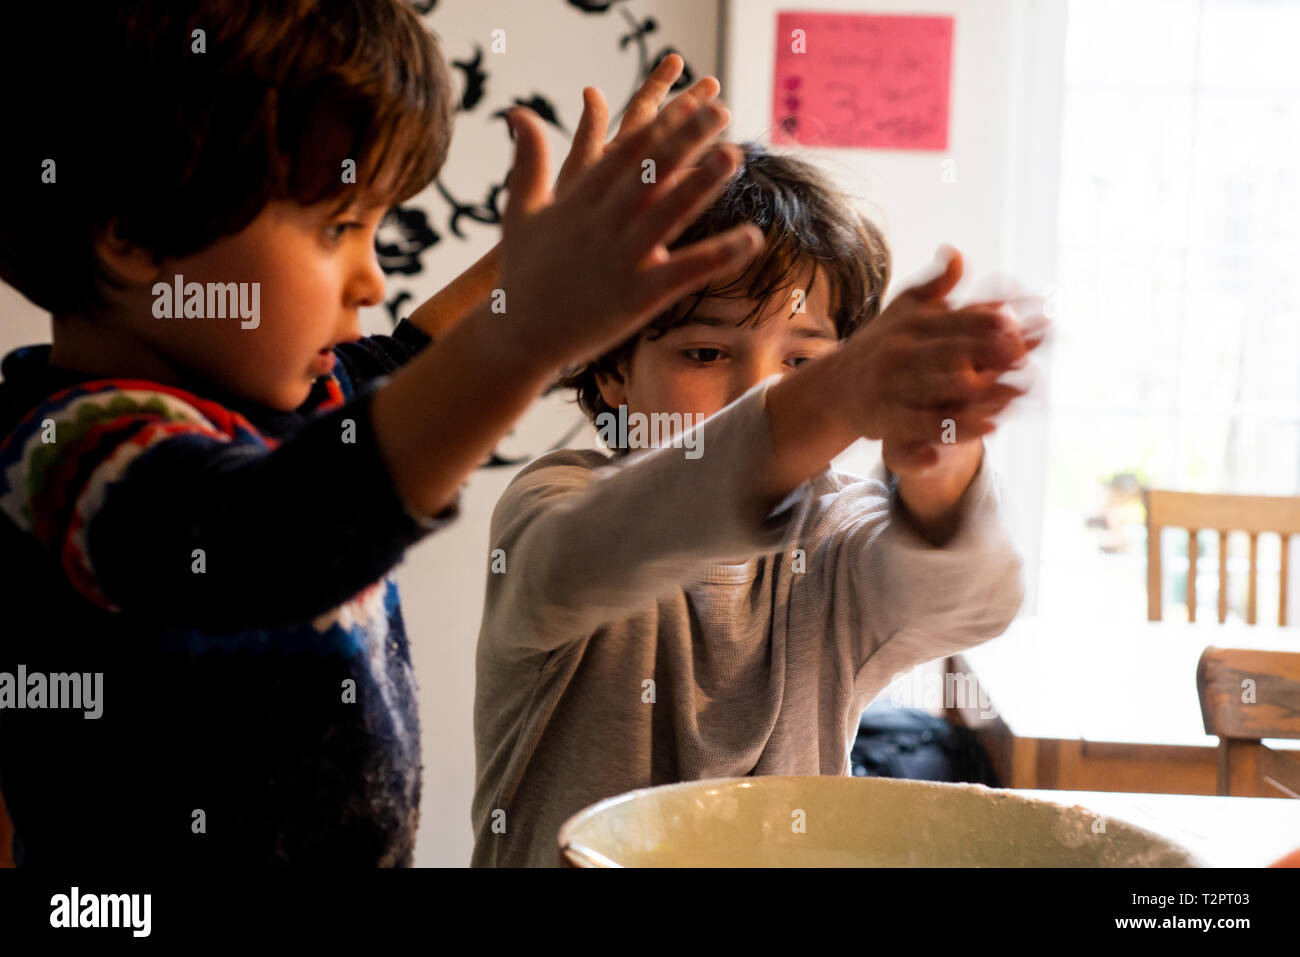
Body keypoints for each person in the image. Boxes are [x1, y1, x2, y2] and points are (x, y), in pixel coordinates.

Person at [0, 2, 756, 866]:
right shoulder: (67, 452)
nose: (370, 277)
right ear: (132, 233)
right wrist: (526, 336)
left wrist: (534, 260)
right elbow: (269, 531)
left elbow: (411, 357)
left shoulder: (289, 392)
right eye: (336, 228)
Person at [471, 142, 1048, 867]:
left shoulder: (833, 537)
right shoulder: (553, 502)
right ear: (614, 368)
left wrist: (937, 456)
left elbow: (967, 602)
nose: (759, 392)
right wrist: (829, 396)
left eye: (802, 363)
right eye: (707, 354)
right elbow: (590, 551)